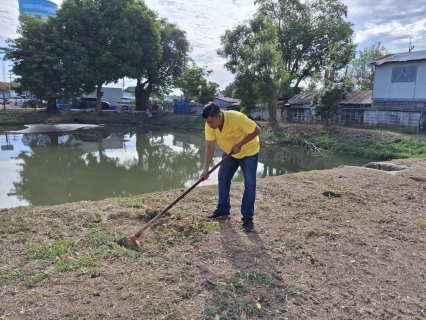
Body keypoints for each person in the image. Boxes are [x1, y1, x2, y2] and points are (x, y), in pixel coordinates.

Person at [201, 102, 261, 232]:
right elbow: (210, 147)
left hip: (249, 152)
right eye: (207, 122)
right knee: (223, 178)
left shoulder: (237, 118)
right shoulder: (210, 125)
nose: (209, 125)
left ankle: (247, 218)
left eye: (211, 122)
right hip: (230, 153)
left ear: (219, 116)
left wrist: (240, 144)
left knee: (250, 184)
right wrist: (206, 169)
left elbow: (257, 130)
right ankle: (223, 210)